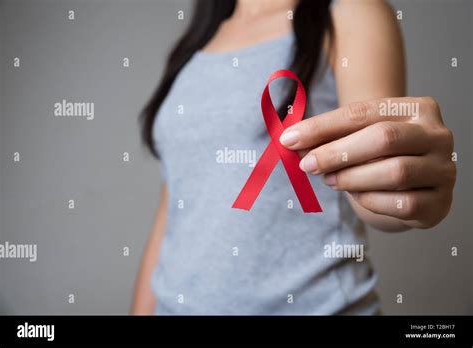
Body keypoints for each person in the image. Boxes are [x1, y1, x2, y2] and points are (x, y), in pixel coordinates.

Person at [131, 0, 456, 315]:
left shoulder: (351, 13)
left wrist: (407, 192)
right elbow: (174, 211)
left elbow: (379, 173)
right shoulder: (193, 47)